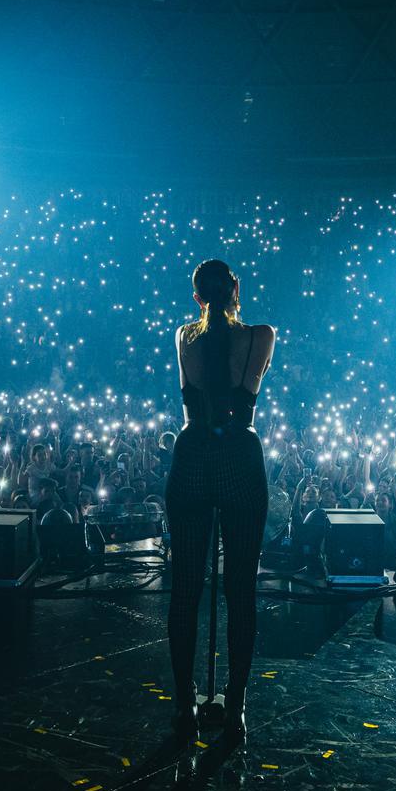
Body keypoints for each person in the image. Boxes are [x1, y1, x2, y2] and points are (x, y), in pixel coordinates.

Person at [165, 259, 276, 743]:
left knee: (186, 587)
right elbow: (249, 388)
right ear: (235, 290)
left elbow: (192, 393)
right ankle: (235, 703)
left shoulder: (183, 336)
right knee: (240, 588)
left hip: (192, 457)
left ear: (196, 297)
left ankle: (185, 700)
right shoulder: (261, 336)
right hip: (238, 457)